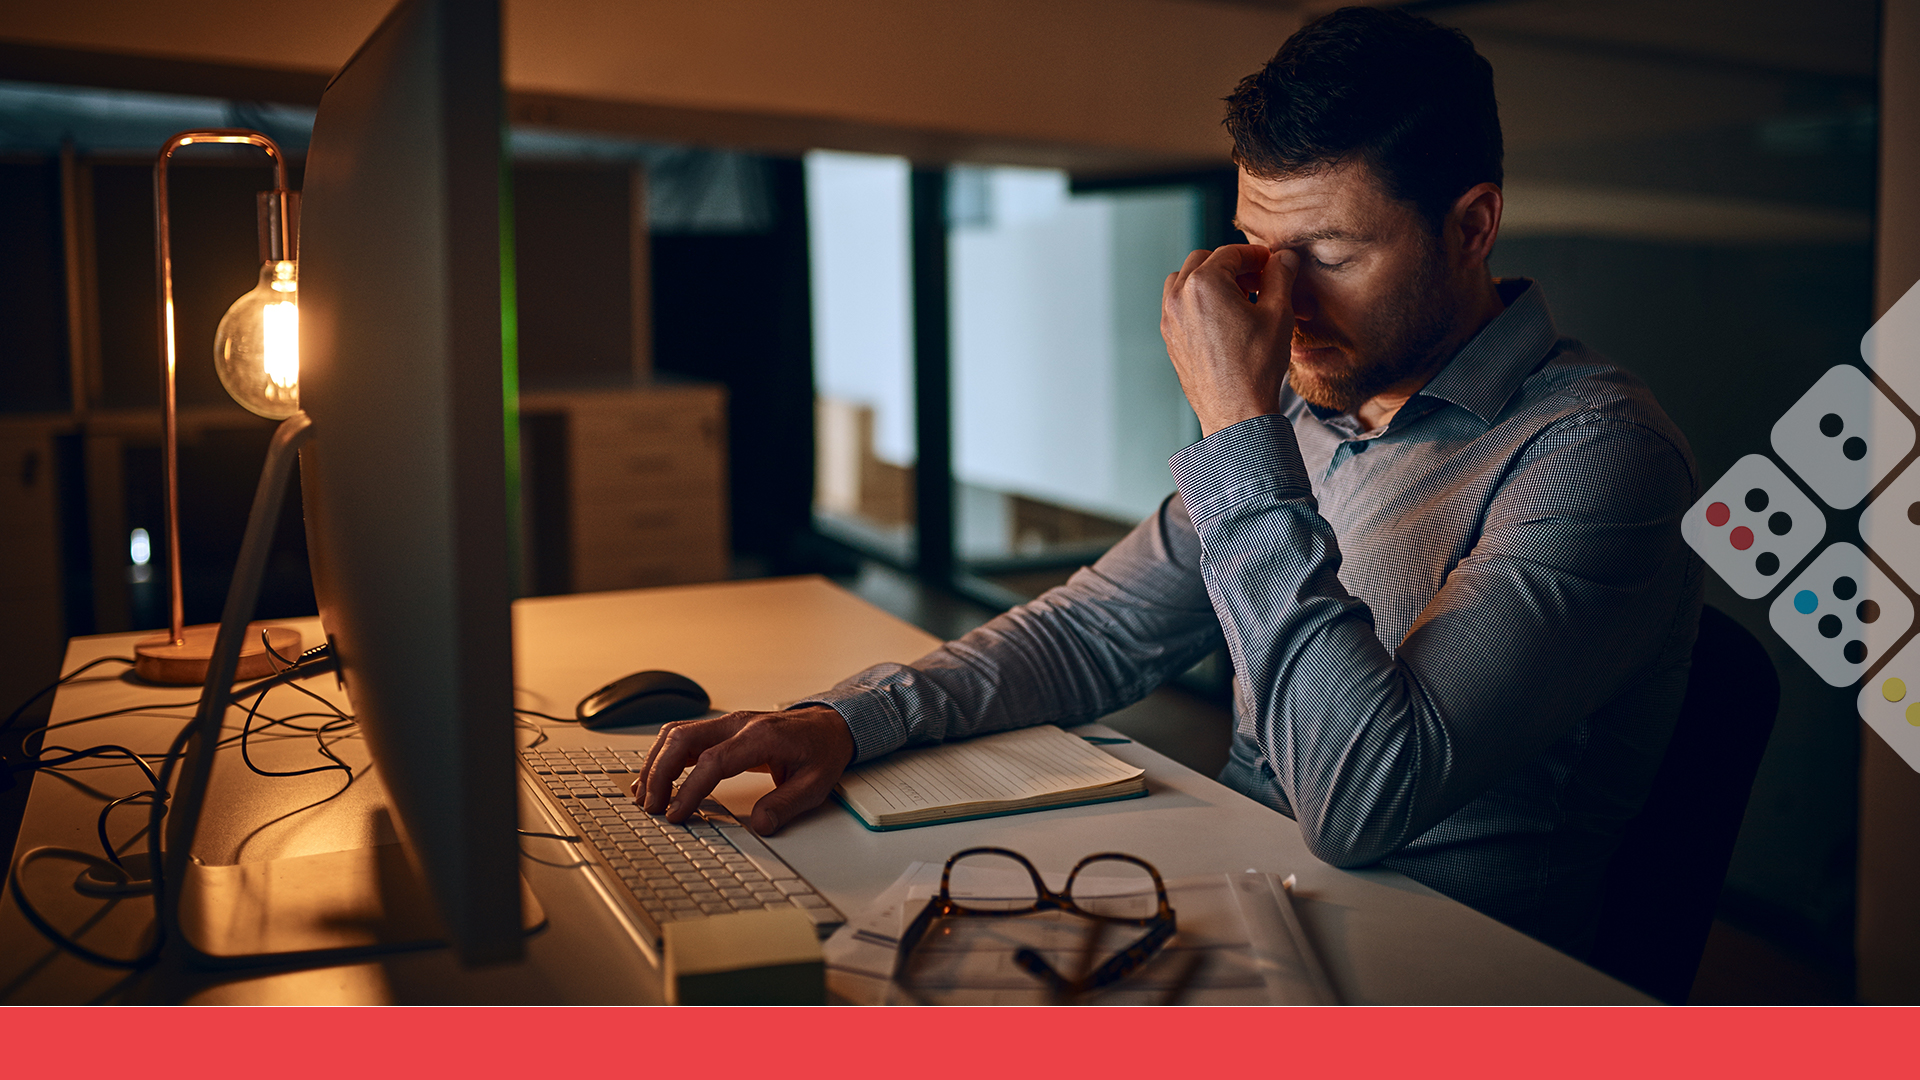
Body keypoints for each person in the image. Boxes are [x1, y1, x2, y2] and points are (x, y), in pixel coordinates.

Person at [632, 6, 1702, 955]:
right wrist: (847, 720)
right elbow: (1096, 629)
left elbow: (1360, 799)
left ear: (1471, 227)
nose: (1285, 307)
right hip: (1238, 899)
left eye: (1332, 255)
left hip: (1433, 973)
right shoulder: (1310, 415)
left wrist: (1237, 425)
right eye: (1258, 249)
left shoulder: (1599, 457)